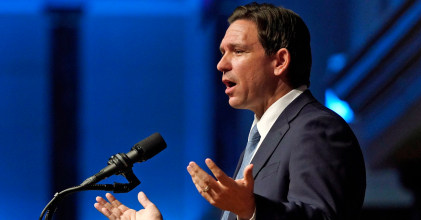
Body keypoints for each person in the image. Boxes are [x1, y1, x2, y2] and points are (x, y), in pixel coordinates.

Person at [94, 2, 366, 220]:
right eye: (223, 52)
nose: (221, 64)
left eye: (237, 51)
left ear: (280, 61)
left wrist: (252, 210)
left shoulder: (316, 129)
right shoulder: (261, 137)